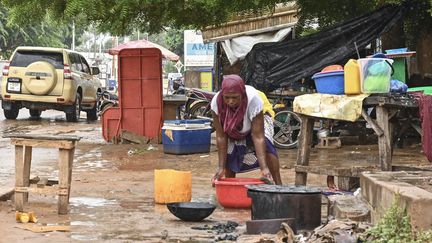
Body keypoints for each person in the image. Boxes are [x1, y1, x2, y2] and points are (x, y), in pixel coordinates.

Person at [210, 74, 282, 185]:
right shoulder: (216, 103)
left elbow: (258, 137)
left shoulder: (254, 100)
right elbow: (221, 136)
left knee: (267, 145)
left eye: (235, 97)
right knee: (229, 152)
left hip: (259, 119)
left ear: (242, 95)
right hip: (233, 128)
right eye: (227, 97)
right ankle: (230, 186)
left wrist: (263, 168)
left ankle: (278, 185)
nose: (230, 101)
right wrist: (221, 167)